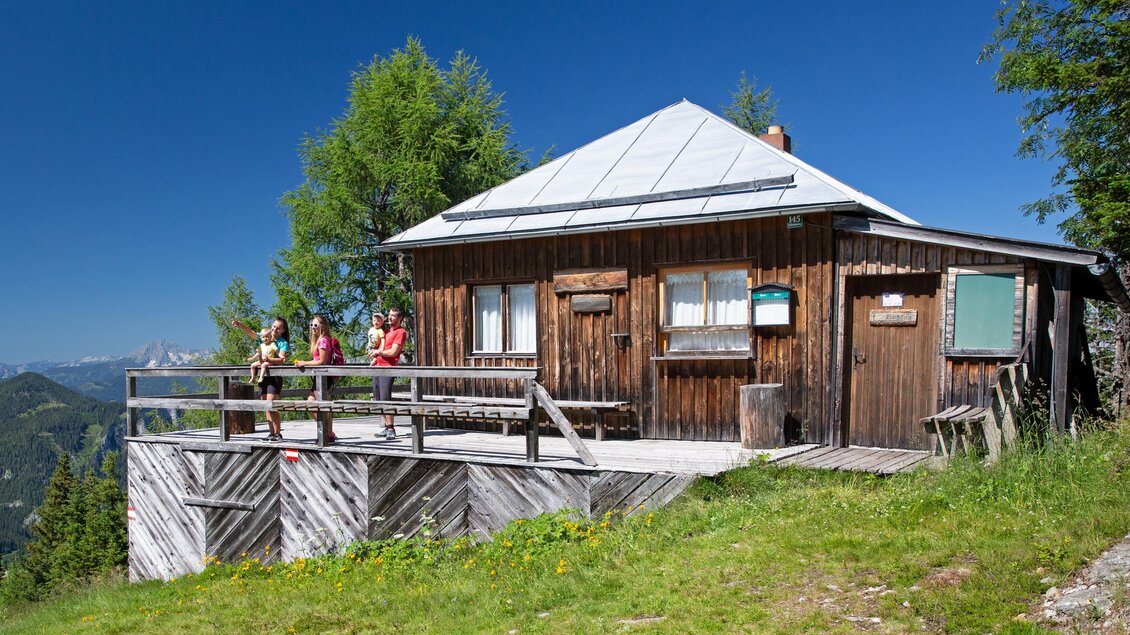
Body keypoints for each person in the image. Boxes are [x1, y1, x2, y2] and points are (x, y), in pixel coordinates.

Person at [231, 317, 291, 442]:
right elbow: (251, 333)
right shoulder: (265, 336)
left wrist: (268, 360)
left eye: (278, 328)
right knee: (265, 405)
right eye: (274, 326)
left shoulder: (282, 343)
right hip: (263, 377)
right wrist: (239, 324)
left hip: (274, 377)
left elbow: (282, 360)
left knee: (271, 404)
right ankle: (271, 433)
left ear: (282, 330)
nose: (275, 329)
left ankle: (278, 434)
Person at [295, 314, 337, 443]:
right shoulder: (320, 340)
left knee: (313, 405)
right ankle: (329, 433)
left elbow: (322, 361)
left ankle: (327, 433)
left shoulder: (323, 340)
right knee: (317, 405)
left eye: (315, 325)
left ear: (322, 327)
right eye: (311, 325)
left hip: (324, 377)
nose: (313, 327)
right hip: (319, 377)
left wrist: (305, 363)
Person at [373, 307, 407, 440]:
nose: (390, 318)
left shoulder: (401, 332)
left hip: (388, 368)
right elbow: (379, 348)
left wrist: (378, 352)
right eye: (389, 315)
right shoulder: (385, 332)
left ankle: (391, 428)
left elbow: (393, 352)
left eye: (393, 316)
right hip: (378, 366)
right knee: (378, 398)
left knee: (386, 397)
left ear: (400, 318)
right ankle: (386, 427)